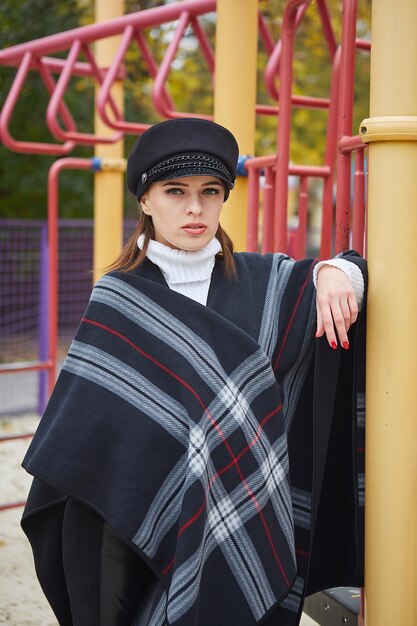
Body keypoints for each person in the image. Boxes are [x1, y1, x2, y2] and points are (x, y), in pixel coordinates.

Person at [21, 118, 366, 626]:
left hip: (236, 507)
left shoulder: (265, 285)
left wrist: (336, 270)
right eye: (175, 191)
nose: (194, 208)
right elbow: (84, 434)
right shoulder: (118, 298)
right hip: (131, 512)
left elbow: (363, 274)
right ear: (144, 200)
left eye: (210, 192)